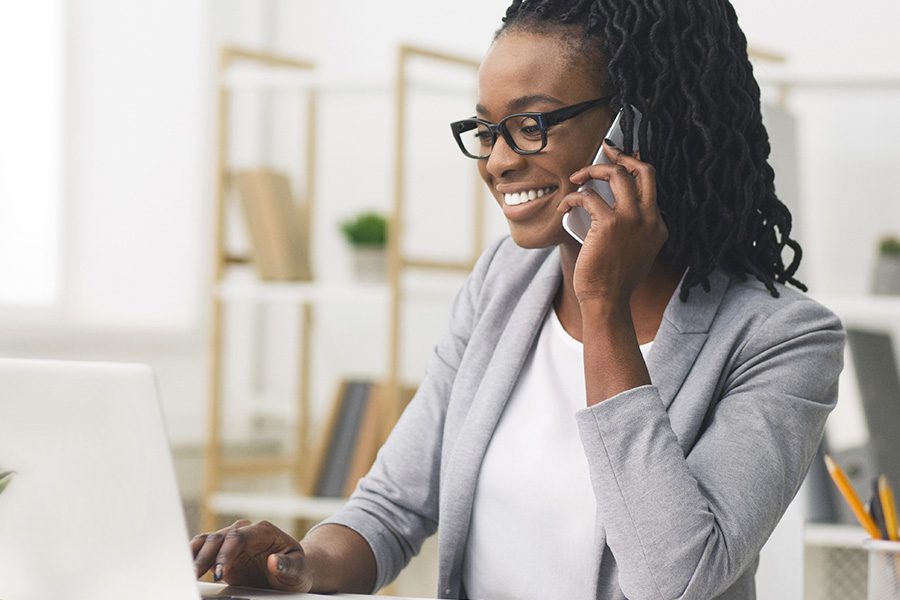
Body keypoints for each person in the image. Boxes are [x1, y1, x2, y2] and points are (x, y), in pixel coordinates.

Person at [191, 1, 844, 598]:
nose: (496, 161)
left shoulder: (783, 341)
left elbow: (675, 579)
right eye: (485, 130)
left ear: (641, 122)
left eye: (529, 125)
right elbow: (393, 508)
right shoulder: (504, 282)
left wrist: (602, 304)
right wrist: (297, 567)